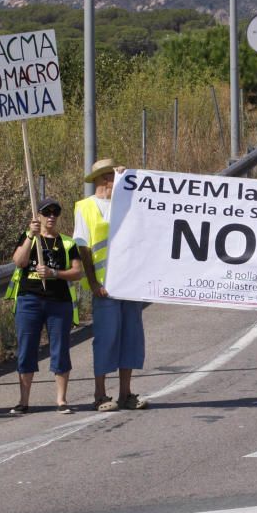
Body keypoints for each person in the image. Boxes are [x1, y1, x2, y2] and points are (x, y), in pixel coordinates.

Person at [74, 158, 148, 413]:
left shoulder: (126, 202)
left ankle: (126, 393)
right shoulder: (85, 207)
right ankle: (100, 394)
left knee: (131, 336)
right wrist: (93, 282)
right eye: (113, 177)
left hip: (130, 282)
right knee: (106, 338)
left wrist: (128, 181)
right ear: (104, 179)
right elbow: (83, 248)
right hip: (105, 286)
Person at [6, 197, 83, 414]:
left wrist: (54, 273)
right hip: (29, 300)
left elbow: (77, 271)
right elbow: (19, 262)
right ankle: (23, 401)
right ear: (37, 215)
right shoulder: (28, 238)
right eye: (46, 212)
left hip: (58, 303)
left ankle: (61, 400)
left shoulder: (67, 243)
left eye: (55, 213)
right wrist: (31, 235)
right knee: (27, 349)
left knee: (60, 349)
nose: (51, 216)